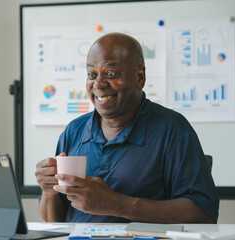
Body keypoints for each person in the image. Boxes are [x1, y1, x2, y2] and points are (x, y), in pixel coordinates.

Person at [35, 33, 219, 223]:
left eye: (111, 74)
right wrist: (49, 193)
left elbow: (203, 214)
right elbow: (54, 223)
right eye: (92, 74)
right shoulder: (74, 131)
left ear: (140, 77)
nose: (98, 84)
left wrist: (117, 204)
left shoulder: (173, 130)